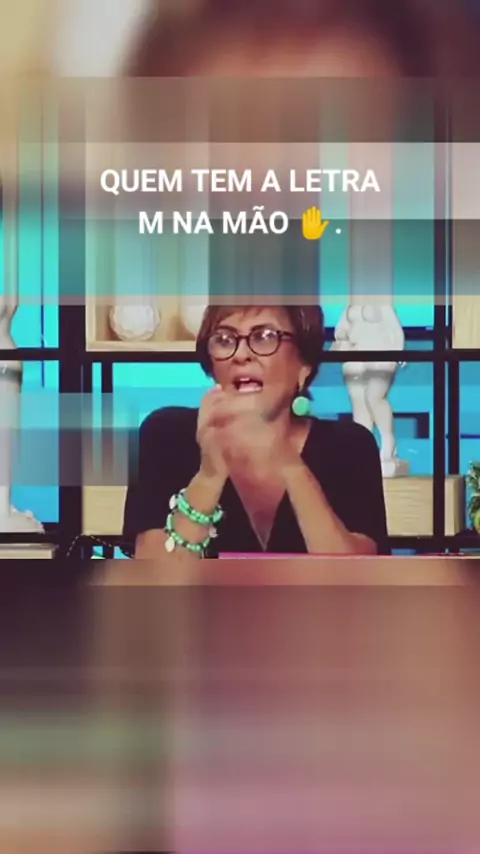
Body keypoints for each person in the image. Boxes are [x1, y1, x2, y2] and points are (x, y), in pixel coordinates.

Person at [123, 304, 390, 559]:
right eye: (225, 339)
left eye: (264, 337)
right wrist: (209, 476)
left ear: (303, 365)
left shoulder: (349, 446)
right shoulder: (167, 435)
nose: (240, 355)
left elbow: (356, 578)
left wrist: (289, 463)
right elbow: (153, 575)